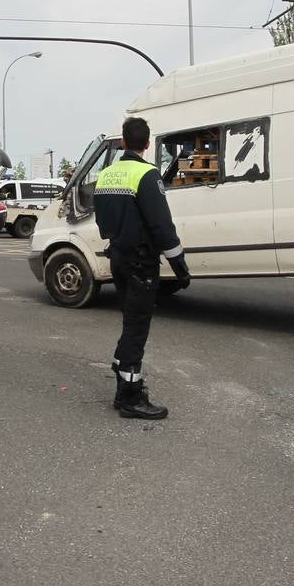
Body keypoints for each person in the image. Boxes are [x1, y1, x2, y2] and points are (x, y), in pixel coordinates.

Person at [93, 116, 192, 420]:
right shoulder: (147, 175)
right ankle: (130, 397)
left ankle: (123, 373)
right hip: (141, 263)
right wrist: (180, 267)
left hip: (119, 259)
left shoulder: (106, 175)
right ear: (148, 144)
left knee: (130, 322)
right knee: (137, 328)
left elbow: (102, 221)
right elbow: (162, 227)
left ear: (123, 141)